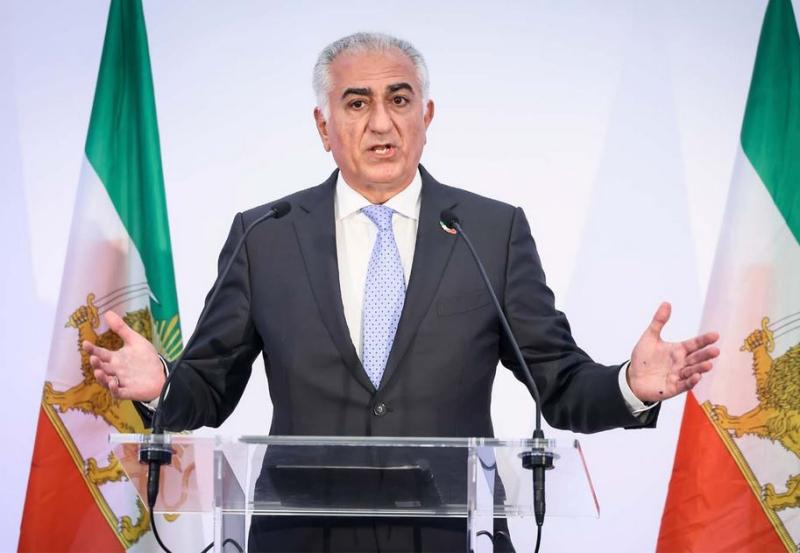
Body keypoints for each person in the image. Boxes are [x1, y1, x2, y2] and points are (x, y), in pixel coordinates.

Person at [83, 32, 720, 552]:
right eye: (357, 103)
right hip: (303, 537)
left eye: (399, 99)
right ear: (323, 125)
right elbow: (209, 386)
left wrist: (630, 385)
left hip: (454, 536)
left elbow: (558, 382)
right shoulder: (265, 235)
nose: (381, 123)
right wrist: (161, 383)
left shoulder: (490, 232)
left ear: (427, 116)